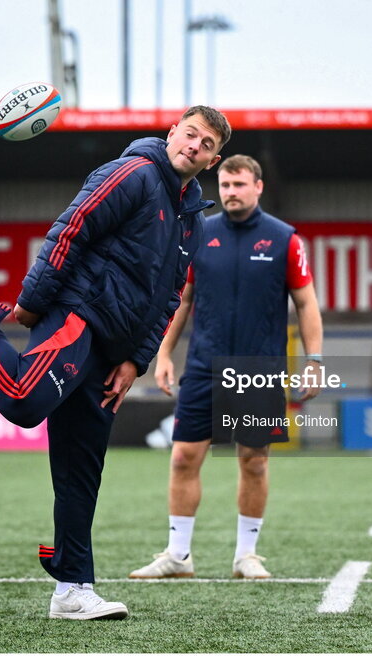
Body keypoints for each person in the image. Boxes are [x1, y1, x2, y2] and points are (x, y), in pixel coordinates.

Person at [0, 106, 231, 620]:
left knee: (82, 472)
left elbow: (168, 295)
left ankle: (72, 588)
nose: (194, 146)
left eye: (207, 144)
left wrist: (135, 362)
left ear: (213, 160)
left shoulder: (193, 215)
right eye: (190, 134)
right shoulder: (134, 172)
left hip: (114, 351)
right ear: (172, 133)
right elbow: (71, 228)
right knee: (24, 400)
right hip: (80, 314)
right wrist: (31, 299)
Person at [128, 155, 323, 581]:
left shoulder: (284, 239)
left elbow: (306, 303)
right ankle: (178, 557)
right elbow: (182, 301)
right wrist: (163, 355)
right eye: (225, 184)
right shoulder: (200, 233)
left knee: (253, 462)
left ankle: (246, 556)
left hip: (259, 369)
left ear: (258, 187)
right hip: (203, 368)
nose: (230, 191)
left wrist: (314, 361)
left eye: (239, 184)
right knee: (183, 458)